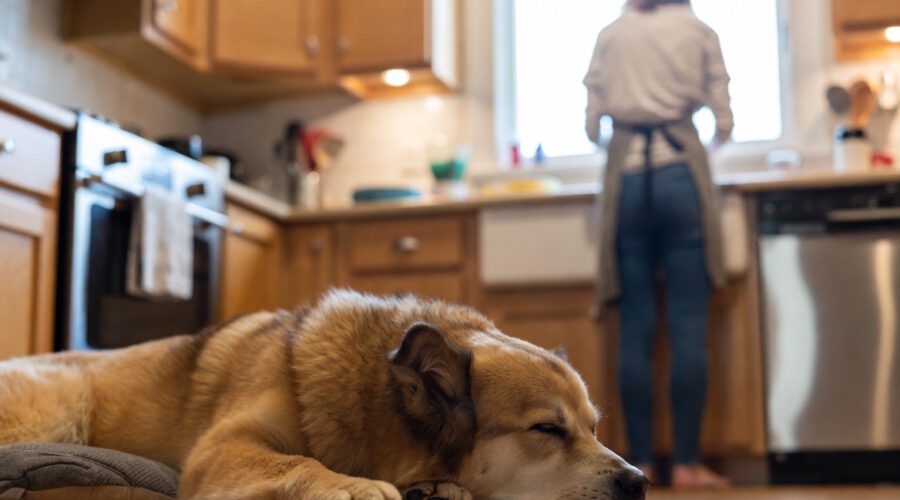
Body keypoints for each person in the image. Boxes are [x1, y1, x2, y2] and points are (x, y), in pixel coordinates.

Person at [584, 0, 733, 489]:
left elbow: (592, 120)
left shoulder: (611, 32)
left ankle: (642, 463)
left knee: (635, 333)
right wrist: (711, 139)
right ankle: (688, 465)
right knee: (689, 329)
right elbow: (723, 117)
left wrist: (610, 139)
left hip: (626, 181)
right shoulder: (698, 29)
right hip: (680, 176)